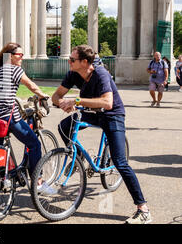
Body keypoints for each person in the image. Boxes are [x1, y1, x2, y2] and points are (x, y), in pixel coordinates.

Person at [51, 45, 151, 224]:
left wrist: (77, 100)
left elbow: (108, 102)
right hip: (91, 113)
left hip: (112, 116)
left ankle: (143, 209)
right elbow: (56, 96)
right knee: (64, 126)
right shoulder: (73, 73)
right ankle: (78, 158)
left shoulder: (101, 74)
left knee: (120, 161)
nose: (69, 62)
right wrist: (63, 103)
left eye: (72, 60)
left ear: (84, 62)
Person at [0, 42, 52, 203]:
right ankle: (38, 182)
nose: (22, 58)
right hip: (8, 116)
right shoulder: (15, 70)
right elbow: (31, 85)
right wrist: (42, 96)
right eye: (20, 55)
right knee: (34, 144)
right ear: (11, 56)